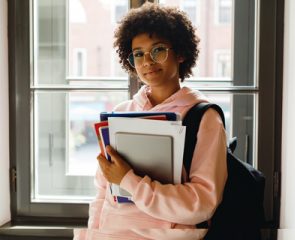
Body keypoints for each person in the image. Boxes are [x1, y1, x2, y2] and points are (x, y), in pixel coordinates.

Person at [74, 2, 227, 240]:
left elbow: (202, 203)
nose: (147, 61)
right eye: (138, 53)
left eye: (158, 50)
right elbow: (103, 192)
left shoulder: (204, 118)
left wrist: (129, 181)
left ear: (181, 53)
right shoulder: (121, 112)